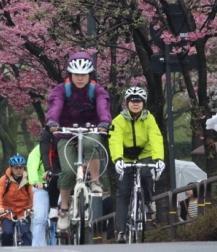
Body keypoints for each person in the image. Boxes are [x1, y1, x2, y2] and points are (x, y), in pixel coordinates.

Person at [45, 51, 112, 232]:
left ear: (90, 75)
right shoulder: (61, 90)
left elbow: (103, 106)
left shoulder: (97, 90)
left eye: (84, 75)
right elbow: (55, 106)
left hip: (90, 130)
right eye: (76, 75)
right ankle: (65, 209)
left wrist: (104, 122)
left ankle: (96, 182)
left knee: (92, 143)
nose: (80, 78)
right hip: (66, 134)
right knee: (67, 171)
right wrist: (52, 122)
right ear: (70, 75)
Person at [108, 86, 165, 244]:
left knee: (146, 174)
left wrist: (159, 158)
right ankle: (121, 231)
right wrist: (117, 159)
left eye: (138, 101)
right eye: (132, 101)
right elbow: (115, 140)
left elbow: (155, 137)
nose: (135, 104)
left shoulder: (149, 118)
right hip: (125, 157)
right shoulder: (118, 120)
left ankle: (147, 202)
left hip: (144, 153)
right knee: (123, 193)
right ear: (126, 103)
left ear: (144, 103)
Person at [0, 154, 33, 246]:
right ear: (11, 168)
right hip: (7, 212)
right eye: (16, 168)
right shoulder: (4, 180)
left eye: (21, 168)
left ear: (24, 168)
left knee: (26, 233)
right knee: (7, 233)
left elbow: (33, 194)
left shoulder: (28, 179)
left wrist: (34, 206)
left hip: (23, 212)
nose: (18, 170)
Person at [27, 138, 49, 246]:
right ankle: (38, 248)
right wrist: (35, 181)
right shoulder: (38, 150)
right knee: (40, 219)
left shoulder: (64, 146)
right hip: (42, 187)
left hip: (61, 186)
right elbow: (32, 166)